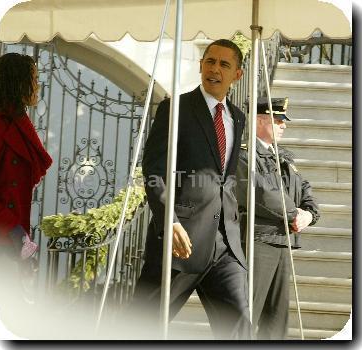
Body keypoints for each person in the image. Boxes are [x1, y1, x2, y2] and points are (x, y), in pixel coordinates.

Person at [128, 39, 250, 339]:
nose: (214, 69)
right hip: (180, 243)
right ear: (200, 65)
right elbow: (154, 170)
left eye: (224, 64)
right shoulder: (176, 108)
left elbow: (224, 180)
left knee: (239, 327)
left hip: (226, 248)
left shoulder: (238, 117)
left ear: (238, 74)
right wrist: (169, 220)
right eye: (210, 61)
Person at [236, 97, 320, 340]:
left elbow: (304, 188)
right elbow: (261, 192)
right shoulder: (244, 155)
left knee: (277, 320)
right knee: (248, 315)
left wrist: (309, 215)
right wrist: (295, 215)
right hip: (258, 240)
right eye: (279, 120)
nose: (284, 125)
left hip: (283, 241)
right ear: (261, 120)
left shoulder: (284, 157)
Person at [0, 53, 52, 319]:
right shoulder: (0, 125)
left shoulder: (18, 122)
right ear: (18, 82)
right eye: (34, 79)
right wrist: (19, 238)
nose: (38, 85)